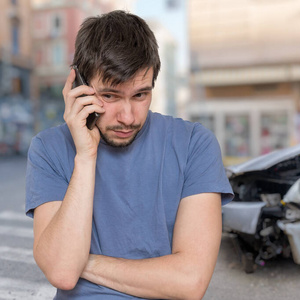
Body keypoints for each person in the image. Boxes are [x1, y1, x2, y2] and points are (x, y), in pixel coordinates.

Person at [25, 10, 233, 299]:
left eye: (140, 95)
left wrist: (82, 261)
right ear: (79, 87)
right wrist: (85, 156)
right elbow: (62, 272)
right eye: (109, 96)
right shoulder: (48, 149)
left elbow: (189, 281)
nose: (128, 116)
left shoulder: (194, 144)